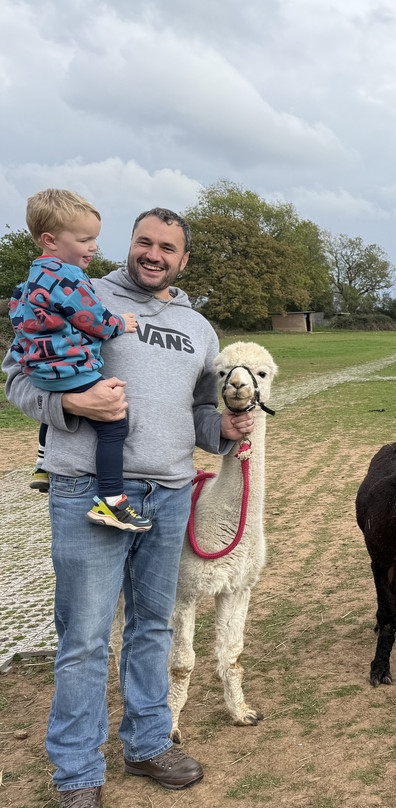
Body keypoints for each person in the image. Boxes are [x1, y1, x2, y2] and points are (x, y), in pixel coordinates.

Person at [3, 208, 254, 808]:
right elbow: (18, 377)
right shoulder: (79, 293)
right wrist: (76, 406)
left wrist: (220, 425)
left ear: (183, 259)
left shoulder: (198, 327)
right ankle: (77, 773)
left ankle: (146, 743)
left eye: (168, 248)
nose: (154, 254)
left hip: (169, 494)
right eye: (145, 242)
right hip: (89, 488)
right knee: (86, 637)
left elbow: (196, 413)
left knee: (152, 628)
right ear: (130, 244)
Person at [9, 189, 148, 531]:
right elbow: (93, 319)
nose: (93, 247)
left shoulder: (30, 280)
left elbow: (17, 317)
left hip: (40, 371)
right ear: (50, 240)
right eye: (85, 239)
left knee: (59, 407)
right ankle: (111, 500)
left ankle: (43, 461)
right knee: (115, 423)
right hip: (69, 368)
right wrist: (120, 323)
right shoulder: (68, 275)